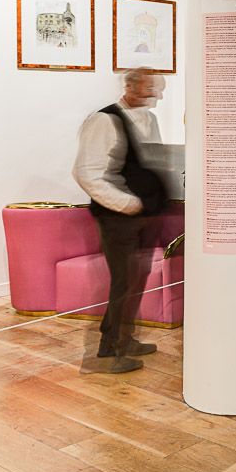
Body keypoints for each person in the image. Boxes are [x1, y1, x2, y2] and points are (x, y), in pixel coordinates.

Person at [73, 67, 169, 372]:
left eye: (158, 89)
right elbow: (87, 173)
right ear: (130, 87)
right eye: (150, 88)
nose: (156, 95)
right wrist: (127, 204)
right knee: (123, 281)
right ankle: (109, 349)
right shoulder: (104, 120)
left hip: (144, 215)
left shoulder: (149, 119)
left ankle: (123, 339)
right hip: (117, 218)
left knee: (136, 279)